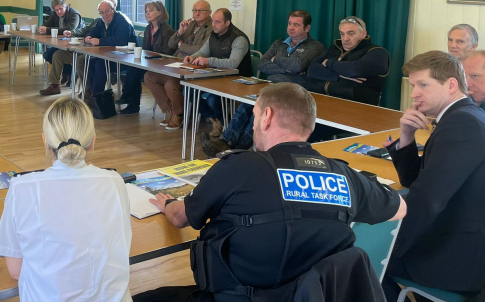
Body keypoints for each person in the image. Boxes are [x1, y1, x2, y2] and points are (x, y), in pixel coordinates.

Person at [135, 83, 406, 302]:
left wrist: (168, 203)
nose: (252, 126)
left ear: (266, 117)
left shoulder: (239, 167)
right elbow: (400, 209)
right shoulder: (343, 175)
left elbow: (182, 218)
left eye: (253, 116)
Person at [0, 98, 131, 302]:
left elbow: (15, 270)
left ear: (45, 141)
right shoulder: (115, 182)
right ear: (93, 141)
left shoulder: (22, 188)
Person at [382, 51, 485, 301]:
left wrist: (390, 245)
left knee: (358, 259)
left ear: (451, 84)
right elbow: (415, 181)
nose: (414, 93)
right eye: (413, 85)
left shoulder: (462, 124)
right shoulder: (462, 116)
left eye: (423, 85)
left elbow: (429, 200)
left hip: (457, 258)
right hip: (457, 242)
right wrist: (406, 136)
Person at [201, 10, 325, 156]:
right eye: (290, 23)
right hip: (270, 86)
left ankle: (234, 151)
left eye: (296, 25)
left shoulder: (315, 46)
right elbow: (263, 64)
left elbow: (298, 65)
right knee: (246, 104)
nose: (291, 27)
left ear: (307, 28)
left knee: (259, 114)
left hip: (292, 91)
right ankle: (225, 142)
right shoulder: (279, 43)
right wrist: (288, 67)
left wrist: (277, 60)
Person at [144, 0, 213, 130]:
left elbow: (201, 49)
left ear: (209, 13)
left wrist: (182, 45)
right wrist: (180, 32)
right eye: (194, 10)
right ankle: (170, 111)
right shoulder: (190, 24)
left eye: (201, 10)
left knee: (171, 84)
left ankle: (179, 114)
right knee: (149, 77)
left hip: (193, 68)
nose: (197, 13)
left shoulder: (211, 28)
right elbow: (171, 44)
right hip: (177, 64)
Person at [184, 8, 253, 125]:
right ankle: (215, 120)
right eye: (213, 21)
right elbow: (203, 52)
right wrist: (193, 57)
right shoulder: (213, 34)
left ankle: (226, 124)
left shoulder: (239, 38)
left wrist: (208, 61)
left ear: (227, 23)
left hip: (237, 79)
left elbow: (232, 64)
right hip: (218, 76)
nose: (214, 25)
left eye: (218, 22)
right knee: (188, 91)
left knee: (212, 100)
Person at [306, 16, 391, 105]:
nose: (345, 38)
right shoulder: (334, 48)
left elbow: (354, 70)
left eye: (351, 33)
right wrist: (339, 74)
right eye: (342, 34)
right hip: (319, 101)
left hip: (356, 107)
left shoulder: (377, 52)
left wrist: (328, 63)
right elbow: (312, 70)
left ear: (363, 33)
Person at [117, 1, 176, 114]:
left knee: (134, 71)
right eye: (146, 11)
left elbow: (168, 53)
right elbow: (145, 49)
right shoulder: (148, 29)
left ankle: (129, 98)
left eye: (151, 10)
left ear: (159, 12)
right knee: (133, 69)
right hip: (150, 62)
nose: (148, 13)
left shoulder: (167, 30)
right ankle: (131, 102)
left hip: (162, 65)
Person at [38, 0, 85, 94]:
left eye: (60, 9)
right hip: (62, 44)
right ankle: (68, 72)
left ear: (66, 6)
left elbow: (69, 29)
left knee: (56, 54)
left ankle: (68, 74)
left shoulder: (74, 15)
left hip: (76, 46)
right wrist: (42, 28)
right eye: (56, 10)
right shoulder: (55, 15)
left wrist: (47, 30)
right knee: (48, 54)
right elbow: (46, 25)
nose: (58, 12)